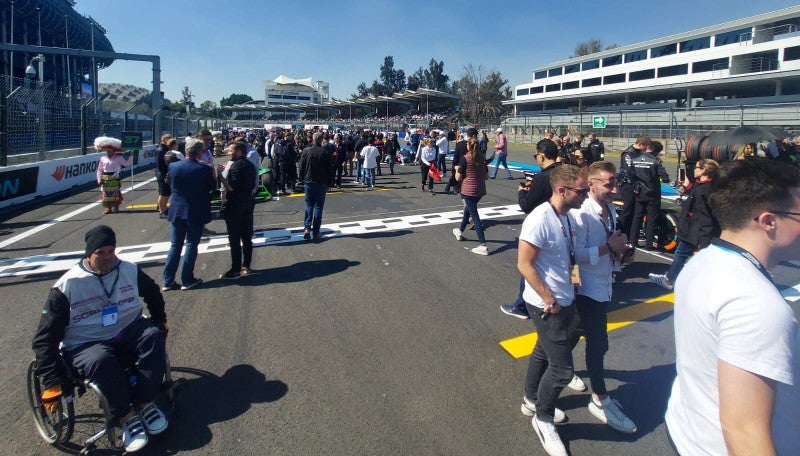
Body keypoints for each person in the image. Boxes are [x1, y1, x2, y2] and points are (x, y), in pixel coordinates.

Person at [665, 158, 800, 455]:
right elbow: (744, 432)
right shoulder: (757, 304)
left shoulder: (702, 261)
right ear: (768, 221)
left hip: (689, 429)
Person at [32, 225, 169, 453]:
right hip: (86, 340)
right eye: (100, 253)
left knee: (154, 336)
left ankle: (146, 403)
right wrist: (51, 380)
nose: (107, 257)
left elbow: (153, 292)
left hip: (127, 328)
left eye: (111, 251)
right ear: (89, 254)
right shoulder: (67, 285)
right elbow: (44, 337)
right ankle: (125, 416)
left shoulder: (128, 269)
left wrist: (160, 319)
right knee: (101, 360)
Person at [519, 165, 588, 456]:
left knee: (542, 351)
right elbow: (524, 264)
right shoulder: (539, 219)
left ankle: (531, 399)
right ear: (562, 190)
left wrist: (575, 287)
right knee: (562, 370)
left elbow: (569, 258)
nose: (585, 196)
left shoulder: (566, 217)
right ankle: (543, 418)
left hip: (565, 298)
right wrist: (549, 299)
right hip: (546, 304)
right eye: (581, 191)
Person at [569, 161, 637, 434]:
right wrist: (609, 247)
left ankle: (550, 374)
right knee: (598, 345)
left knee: (570, 340)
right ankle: (600, 399)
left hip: (603, 285)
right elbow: (576, 256)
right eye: (609, 183)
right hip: (586, 289)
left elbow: (610, 242)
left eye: (615, 183)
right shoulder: (581, 214)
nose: (614, 188)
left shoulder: (609, 208)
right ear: (591, 183)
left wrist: (622, 252)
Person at [501, 139, 561, 319]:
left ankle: (522, 305)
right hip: (563, 223)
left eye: (536, 156)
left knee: (529, 264)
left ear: (542, 156)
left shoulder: (542, 177)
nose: (536, 159)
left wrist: (521, 191)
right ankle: (572, 294)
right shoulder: (562, 172)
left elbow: (526, 206)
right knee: (565, 262)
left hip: (543, 225)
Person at [649, 159, 720, 290]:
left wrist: (702, 243)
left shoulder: (703, 191)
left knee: (682, 254)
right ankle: (671, 278)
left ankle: (670, 279)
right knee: (683, 254)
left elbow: (706, 218)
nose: (694, 169)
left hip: (696, 232)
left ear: (704, 170)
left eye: (697, 167)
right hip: (694, 230)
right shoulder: (704, 186)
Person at [162, 138, 216, 291]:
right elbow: (212, 187)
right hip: (195, 211)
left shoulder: (173, 166)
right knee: (191, 244)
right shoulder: (203, 168)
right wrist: (213, 172)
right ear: (199, 152)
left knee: (175, 245)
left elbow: (171, 184)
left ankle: (167, 280)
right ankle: (187, 279)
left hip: (176, 210)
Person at [219, 141, 257, 279]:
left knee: (234, 238)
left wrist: (221, 176)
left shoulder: (236, 166)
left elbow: (231, 187)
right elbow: (253, 184)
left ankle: (235, 269)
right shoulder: (250, 165)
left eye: (230, 151)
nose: (228, 153)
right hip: (248, 203)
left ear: (239, 152)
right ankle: (246, 265)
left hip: (235, 205)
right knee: (247, 236)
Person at [452, 136, 489, 255]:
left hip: (468, 190)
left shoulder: (465, 158)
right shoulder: (482, 158)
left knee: (474, 216)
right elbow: (486, 176)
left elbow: (458, 178)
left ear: (468, 146)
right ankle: (460, 231)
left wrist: (457, 169)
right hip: (480, 189)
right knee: (467, 211)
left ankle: (483, 245)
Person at [299, 132, 332, 240]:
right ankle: (316, 232)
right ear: (321, 140)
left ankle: (307, 228)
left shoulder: (306, 151)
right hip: (321, 182)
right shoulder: (325, 152)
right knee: (318, 207)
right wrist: (330, 183)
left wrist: (301, 178)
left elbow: (301, 166)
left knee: (309, 205)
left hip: (309, 181)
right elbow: (329, 169)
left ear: (313, 139)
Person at [95, 136, 132, 215]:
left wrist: (131, 156)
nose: (109, 152)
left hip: (115, 177)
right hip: (105, 177)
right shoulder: (103, 158)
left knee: (115, 193)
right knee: (105, 193)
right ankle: (107, 207)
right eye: (107, 150)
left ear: (114, 150)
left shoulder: (119, 158)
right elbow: (99, 169)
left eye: (110, 150)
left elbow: (127, 164)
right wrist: (99, 179)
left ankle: (115, 206)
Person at [155, 134, 173, 218]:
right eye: (169, 139)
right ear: (165, 139)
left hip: (162, 173)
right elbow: (160, 165)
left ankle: (161, 208)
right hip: (162, 174)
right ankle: (162, 211)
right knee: (164, 193)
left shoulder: (163, 148)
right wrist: (165, 175)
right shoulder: (161, 149)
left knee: (163, 192)